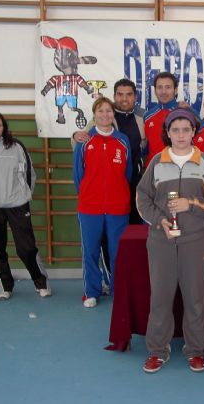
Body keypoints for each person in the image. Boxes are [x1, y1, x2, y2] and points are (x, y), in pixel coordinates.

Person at [137, 107, 204, 374]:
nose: (181, 135)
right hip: (161, 240)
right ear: (168, 133)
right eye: (176, 130)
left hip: (197, 240)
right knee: (160, 297)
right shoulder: (156, 162)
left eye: (187, 129)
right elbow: (142, 198)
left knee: (195, 298)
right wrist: (158, 220)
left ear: (194, 132)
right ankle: (157, 351)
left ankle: (195, 350)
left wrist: (192, 203)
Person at [0, 111, 51, 300]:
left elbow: (29, 174)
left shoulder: (16, 147)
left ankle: (41, 283)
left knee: (27, 248)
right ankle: (5, 286)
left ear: (4, 127)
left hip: (17, 204)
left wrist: (24, 195)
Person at [73, 97, 132, 308]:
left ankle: (117, 289)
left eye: (109, 111)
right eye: (100, 111)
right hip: (90, 207)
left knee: (117, 251)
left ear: (113, 115)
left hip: (118, 207)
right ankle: (91, 292)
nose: (105, 115)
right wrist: (89, 195)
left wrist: (118, 194)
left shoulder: (122, 141)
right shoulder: (84, 141)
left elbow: (128, 173)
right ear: (94, 114)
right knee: (90, 250)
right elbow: (78, 174)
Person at [72, 78, 146, 225]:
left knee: (136, 227)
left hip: (137, 182)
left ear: (135, 97)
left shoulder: (143, 116)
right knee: (111, 232)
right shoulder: (104, 116)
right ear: (114, 96)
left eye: (129, 94)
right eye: (120, 94)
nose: (124, 99)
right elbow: (82, 141)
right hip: (111, 186)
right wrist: (75, 135)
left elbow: (153, 142)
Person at [144, 72, 179, 166]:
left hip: (179, 171)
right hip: (153, 171)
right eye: (160, 87)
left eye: (168, 87)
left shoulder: (186, 113)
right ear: (155, 91)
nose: (163, 92)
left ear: (175, 90)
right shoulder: (148, 116)